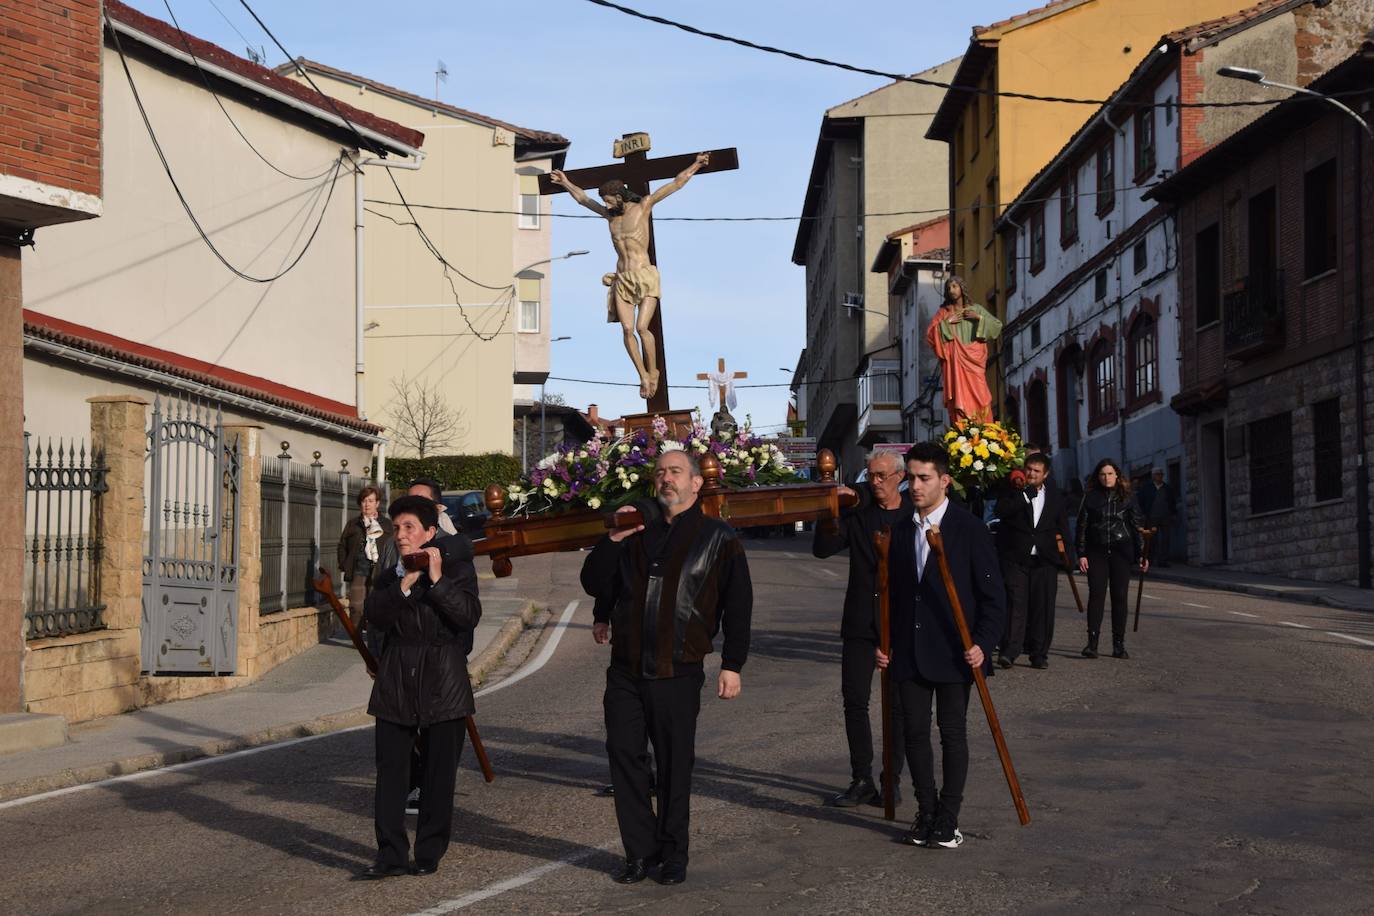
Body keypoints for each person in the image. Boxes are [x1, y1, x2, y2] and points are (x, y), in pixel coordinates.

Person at [580, 448, 752, 886]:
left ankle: (674, 855)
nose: (666, 479)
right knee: (624, 758)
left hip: (678, 669)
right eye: (660, 473)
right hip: (626, 669)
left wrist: (732, 664)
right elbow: (598, 582)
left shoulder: (719, 537)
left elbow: (738, 605)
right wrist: (612, 541)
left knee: (675, 766)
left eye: (675, 472)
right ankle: (640, 852)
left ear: (696, 483)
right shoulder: (634, 531)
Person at [876, 443, 1004, 850]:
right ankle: (926, 810)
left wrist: (983, 644)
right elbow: (893, 595)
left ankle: (949, 818)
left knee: (952, 733)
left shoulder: (969, 529)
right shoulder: (898, 531)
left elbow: (993, 598)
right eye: (910, 477)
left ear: (945, 480)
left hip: (956, 650)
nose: (914, 486)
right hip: (910, 651)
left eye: (923, 478)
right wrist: (885, 643)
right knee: (914, 734)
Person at [360, 495, 481, 879]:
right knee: (391, 773)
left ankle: (428, 851)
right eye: (396, 528)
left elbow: (467, 616)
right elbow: (375, 617)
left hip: (443, 681)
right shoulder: (390, 575)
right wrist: (404, 585)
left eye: (409, 527)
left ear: (430, 532)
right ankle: (390, 855)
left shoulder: (457, 570)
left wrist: (436, 580)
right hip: (396, 683)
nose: (401, 535)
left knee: (437, 774)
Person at [550, 152, 711, 399]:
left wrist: (697, 164)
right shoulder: (609, 218)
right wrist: (565, 181)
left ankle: (653, 371)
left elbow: (676, 183)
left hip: (645, 276)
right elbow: (582, 199)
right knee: (626, 330)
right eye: (603, 201)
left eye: (608, 200)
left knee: (641, 327)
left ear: (619, 196)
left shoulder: (643, 206)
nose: (605, 205)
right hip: (623, 279)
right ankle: (643, 376)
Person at [812, 450, 908, 808]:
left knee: (897, 706)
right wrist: (829, 511)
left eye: (882, 476)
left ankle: (891, 780)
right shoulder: (859, 514)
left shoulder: (913, 515)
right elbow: (822, 550)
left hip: (900, 623)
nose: (875, 482)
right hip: (859, 622)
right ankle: (861, 778)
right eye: (871, 476)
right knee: (855, 701)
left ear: (900, 477)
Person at [993, 453, 1075, 669]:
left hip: (1045, 559)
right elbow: (1001, 511)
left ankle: (1039, 653)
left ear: (1045, 474)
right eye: (1029, 469)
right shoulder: (1014, 491)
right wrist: (1024, 496)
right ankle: (1010, 651)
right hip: (1015, 557)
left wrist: (1070, 558)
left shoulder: (1056, 497)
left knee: (1043, 607)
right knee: (1015, 604)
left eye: (1037, 471)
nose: (1031, 474)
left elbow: (1063, 528)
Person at [1076, 459, 1147, 660]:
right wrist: (1081, 553)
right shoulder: (1090, 498)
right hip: (1096, 551)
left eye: (1109, 474)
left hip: (1121, 551)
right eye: (1102, 474)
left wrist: (1142, 554)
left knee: (1120, 596)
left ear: (1117, 475)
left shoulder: (1128, 497)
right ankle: (1092, 643)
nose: (1106, 478)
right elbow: (1082, 525)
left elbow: (1137, 526)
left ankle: (1118, 644)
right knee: (1096, 594)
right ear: (1097, 477)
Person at [925, 276, 1003, 423]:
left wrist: (978, 317)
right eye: (949, 288)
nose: (951, 290)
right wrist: (947, 322)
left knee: (981, 395)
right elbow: (930, 335)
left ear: (962, 288)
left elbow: (997, 325)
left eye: (954, 286)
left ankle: (984, 427)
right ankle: (962, 431)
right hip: (956, 362)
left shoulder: (976, 309)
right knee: (958, 398)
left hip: (975, 361)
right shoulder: (943, 313)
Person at [337, 486, 393, 636]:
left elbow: (393, 546)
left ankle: (375, 636)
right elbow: (342, 545)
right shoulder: (353, 524)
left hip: (379, 571)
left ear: (377, 503)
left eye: (370, 501)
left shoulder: (387, 524)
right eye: (364, 501)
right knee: (356, 606)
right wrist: (344, 564)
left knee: (376, 605)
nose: (367, 504)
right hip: (358, 570)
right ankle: (357, 637)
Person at [1139, 467, 1175, 566]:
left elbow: (1172, 502)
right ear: (1153, 476)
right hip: (1152, 517)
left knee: (1165, 539)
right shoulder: (1147, 488)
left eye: (1161, 474)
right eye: (1157, 474)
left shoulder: (1167, 488)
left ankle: (1163, 561)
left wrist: (1173, 514)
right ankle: (1150, 559)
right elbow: (1141, 501)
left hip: (1165, 517)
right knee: (1152, 539)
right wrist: (1144, 513)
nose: (1159, 476)